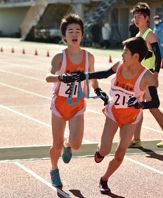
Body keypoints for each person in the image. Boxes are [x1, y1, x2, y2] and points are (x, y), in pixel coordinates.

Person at [72, 36, 160, 194]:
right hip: (114, 114)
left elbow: (156, 103)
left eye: (125, 52)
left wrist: (141, 104)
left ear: (136, 57)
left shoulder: (146, 76)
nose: (122, 55)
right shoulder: (119, 65)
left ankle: (104, 179)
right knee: (105, 150)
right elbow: (105, 74)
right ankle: (100, 151)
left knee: (120, 154)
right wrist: (85, 75)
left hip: (131, 118)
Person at [45, 13, 108, 187]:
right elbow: (48, 77)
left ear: (82, 34)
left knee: (77, 144)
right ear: (64, 36)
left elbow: (93, 77)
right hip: (60, 104)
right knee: (55, 144)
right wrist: (61, 78)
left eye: (77, 31)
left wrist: (98, 90)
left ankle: (68, 144)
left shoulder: (89, 57)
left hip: (77, 104)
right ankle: (54, 169)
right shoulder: (60, 57)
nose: (74, 34)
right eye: (70, 31)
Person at [129, 2, 163, 147]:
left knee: (153, 108)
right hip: (139, 76)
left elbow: (158, 56)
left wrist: (156, 75)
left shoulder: (150, 34)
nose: (136, 20)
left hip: (148, 76)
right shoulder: (138, 34)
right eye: (135, 17)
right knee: (137, 108)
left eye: (139, 17)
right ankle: (136, 138)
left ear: (146, 17)